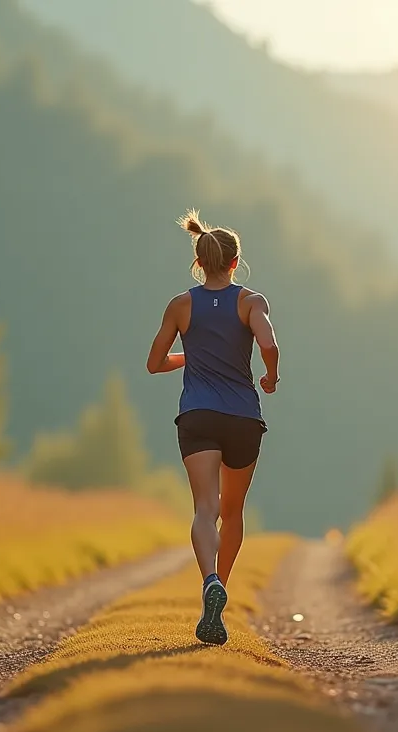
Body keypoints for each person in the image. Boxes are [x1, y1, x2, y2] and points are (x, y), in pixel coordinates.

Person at [146, 208, 280, 646]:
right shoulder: (250, 302)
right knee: (232, 511)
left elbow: (154, 364)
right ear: (235, 263)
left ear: (200, 262)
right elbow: (269, 344)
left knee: (205, 508)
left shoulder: (181, 305)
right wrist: (270, 377)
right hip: (243, 417)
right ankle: (222, 581)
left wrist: (193, 356)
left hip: (198, 415)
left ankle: (209, 583)